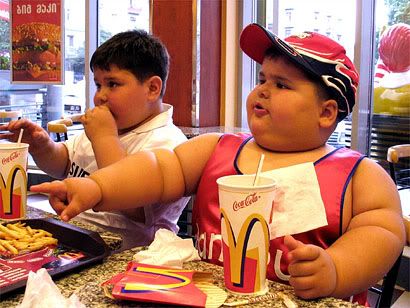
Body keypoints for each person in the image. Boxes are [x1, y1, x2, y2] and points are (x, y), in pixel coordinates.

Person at [31, 24, 405, 305]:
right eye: (262, 79)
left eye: (282, 84)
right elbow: (158, 170)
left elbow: (383, 234)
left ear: (326, 113)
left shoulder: (359, 175)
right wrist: (97, 187)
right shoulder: (218, 149)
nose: (261, 90)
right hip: (212, 296)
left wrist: (336, 270)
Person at [0, 30, 189, 249]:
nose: (100, 96)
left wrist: (104, 138)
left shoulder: (167, 141)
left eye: (113, 84)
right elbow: (64, 164)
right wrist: (42, 147)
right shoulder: (111, 125)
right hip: (74, 237)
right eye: (99, 85)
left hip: (129, 256)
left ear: (152, 88)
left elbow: (134, 208)